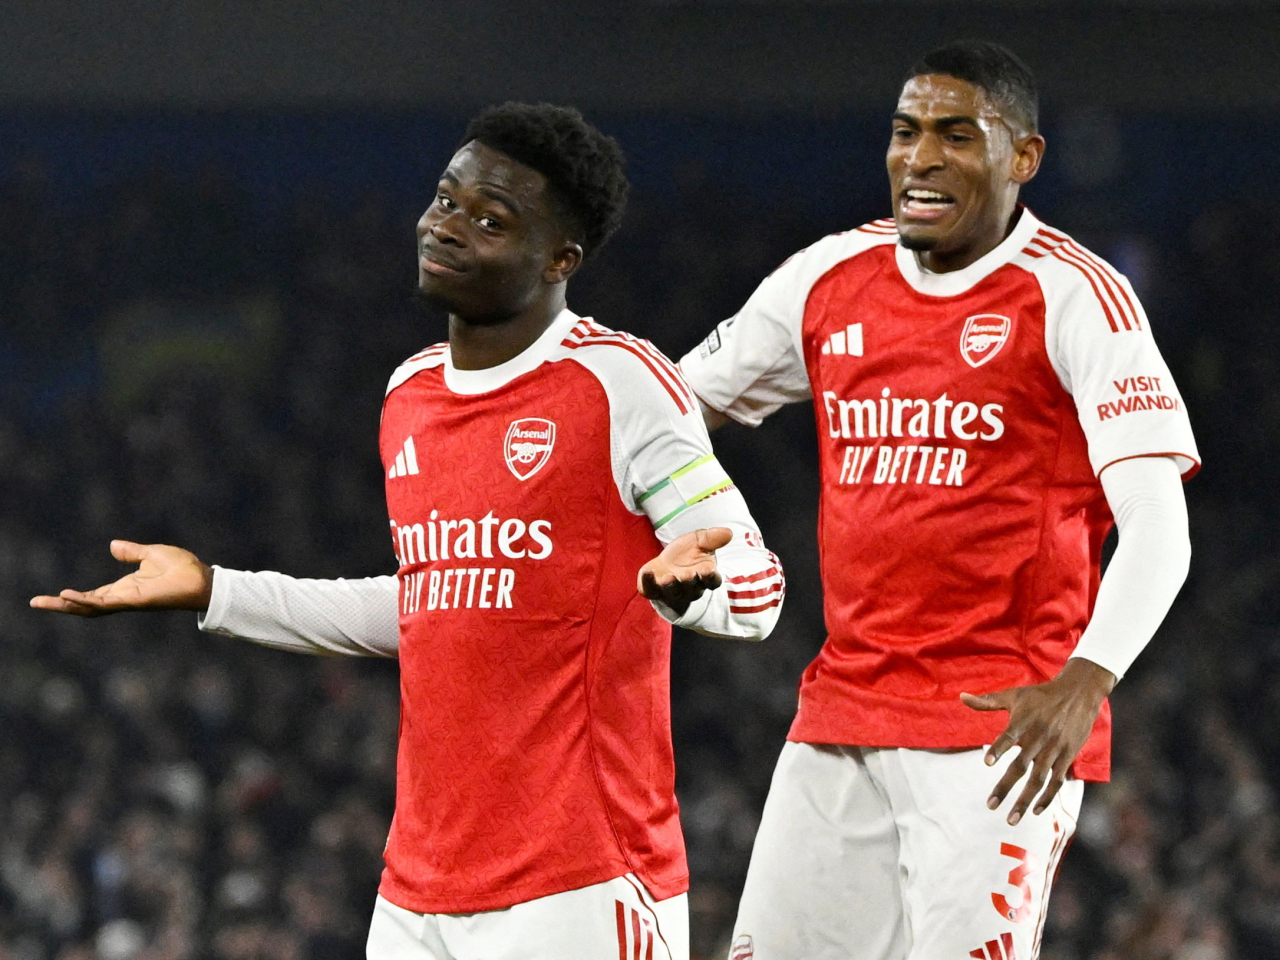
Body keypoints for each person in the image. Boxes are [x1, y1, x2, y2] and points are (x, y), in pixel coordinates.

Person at [32, 103, 785, 960]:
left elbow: (756, 582)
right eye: (446, 198)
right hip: (415, 894)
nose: (448, 225)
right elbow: (429, 612)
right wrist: (218, 589)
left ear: (560, 259)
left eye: (490, 219)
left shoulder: (620, 385)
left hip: (580, 883)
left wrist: (695, 591)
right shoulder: (410, 397)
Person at [676, 41, 1198, 959]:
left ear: (1023, 158)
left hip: (1000, 730)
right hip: (841, 708)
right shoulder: (830, 278)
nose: (920, 158)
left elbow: (1160, 526)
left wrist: (1088, 679)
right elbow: (676, 409)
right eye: (907, 133)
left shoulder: (1078, 298)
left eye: (957, 135)